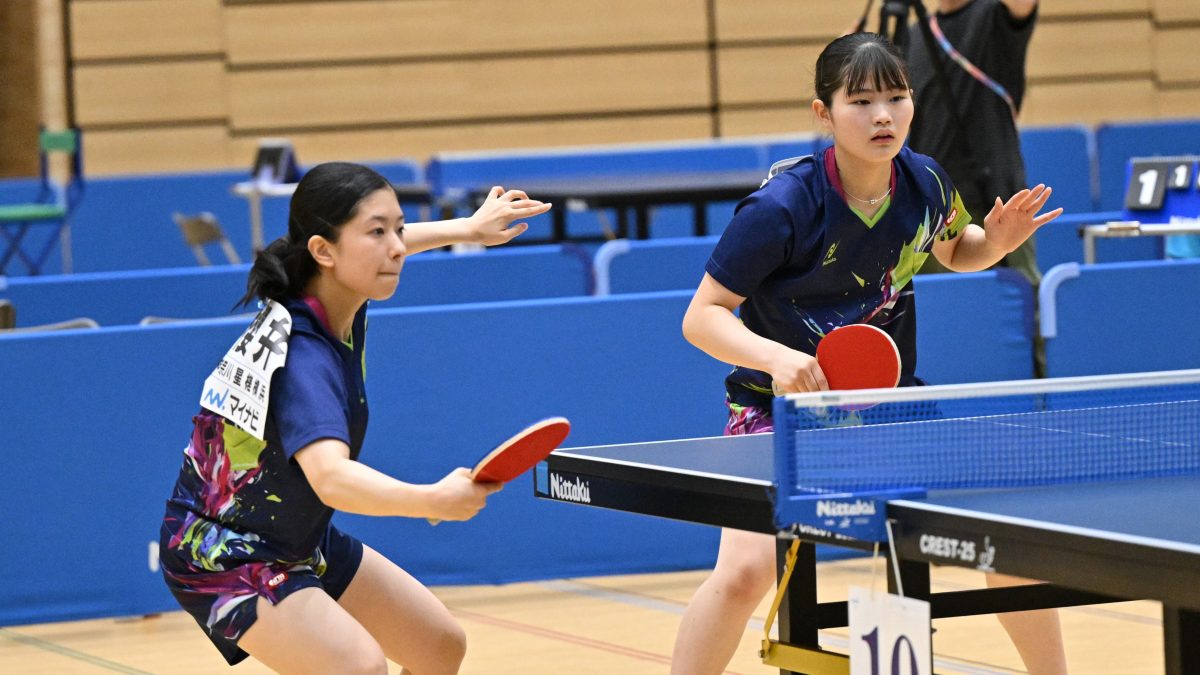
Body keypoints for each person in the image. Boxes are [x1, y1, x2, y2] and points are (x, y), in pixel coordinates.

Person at [674, 33, 1066, 674]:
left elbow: (954, 249)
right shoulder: (782, 206)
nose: (883, 115)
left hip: (890, 407)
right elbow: (702, 315)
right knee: (744, 574)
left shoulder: (925, 181)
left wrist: (994, 242)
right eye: (860, 101)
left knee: (1007, 542)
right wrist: (777, 360)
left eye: (896, 97)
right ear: (824, 113)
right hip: (782, 412)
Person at [158, 161, 551, 674]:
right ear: (323, 250)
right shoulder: (304, 357)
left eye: (399, 228)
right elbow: (332, 479)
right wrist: (431, 499)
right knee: (358, 667)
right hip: (224, 550)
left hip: (294, 537)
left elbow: (381, 245)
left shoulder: (331, 291)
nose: (397, 248)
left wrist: (467, 228)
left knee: (438, 646)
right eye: (377, 232)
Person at [903, 0, 1042, 288]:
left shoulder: (993, 16)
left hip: (995, 201)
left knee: (1017, 305)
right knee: (934, 308)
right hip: (931, 206)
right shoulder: (913, 35)